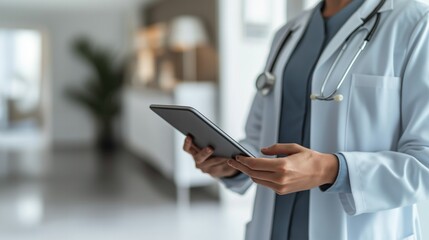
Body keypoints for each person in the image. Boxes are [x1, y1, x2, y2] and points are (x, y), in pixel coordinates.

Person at [183, 0, 429, 239]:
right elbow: (258, 142)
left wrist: (330, 170)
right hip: (273, 227)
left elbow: (424, 164)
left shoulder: (416, 22)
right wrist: (231, 166)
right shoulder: (287, 34)